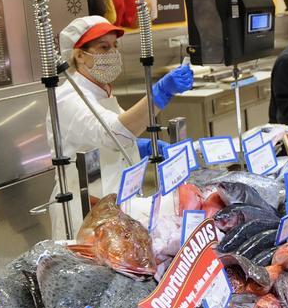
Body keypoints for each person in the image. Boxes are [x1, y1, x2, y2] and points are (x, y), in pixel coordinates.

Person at [48, 15, 194, 239]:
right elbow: (114, 133)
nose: (113, 53)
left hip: (114, 204)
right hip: (86, 211)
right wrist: (160, 93)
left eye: (115, 46)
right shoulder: (68, 97)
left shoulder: (102, 91)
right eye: (104, 47)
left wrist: (138, 146)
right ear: (79, 55)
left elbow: (111, 135)